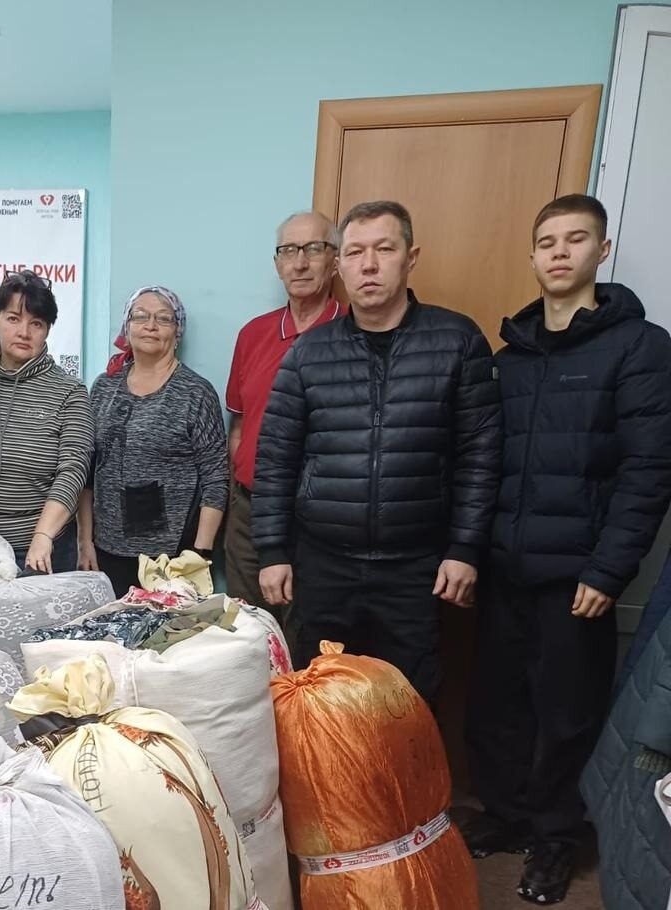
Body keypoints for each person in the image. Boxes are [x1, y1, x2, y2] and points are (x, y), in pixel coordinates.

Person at [463, 194, 671, 905]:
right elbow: (483, 463)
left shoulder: (639, 348)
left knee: (566, 713)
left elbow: (649, 471)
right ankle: (505, 813)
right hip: (503, 566)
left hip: (579, 574)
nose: (559, 252)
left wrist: (609, 569)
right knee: (496, 704)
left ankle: (555, 835)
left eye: (575, 239)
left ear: (601, 251)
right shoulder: (510, 358)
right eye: (547, 241)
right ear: (532, 255)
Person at [252, 200, 501, 704]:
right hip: (324, 564)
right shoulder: (309, 352)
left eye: (384, 250)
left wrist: (464, 549)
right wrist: (273, 551)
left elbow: (480, 455)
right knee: (324, 698)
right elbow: (277, 457)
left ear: (411, 258)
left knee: (408, 702)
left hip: (416, 567)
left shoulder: (457, 340)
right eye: (355, 252)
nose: (368, 265)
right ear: (340, 265)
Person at [225, 212, 346, 624]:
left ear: (335, 261)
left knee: (311, 636)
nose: (300, 263)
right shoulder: (253, 334)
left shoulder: (352, 333)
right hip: (250, 511)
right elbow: (239, 426)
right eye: (289, 251)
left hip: (320, 517)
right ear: (277, 264)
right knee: (248, 634)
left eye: (314, 249)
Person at [78, 286, 229, 597]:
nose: (150, 325)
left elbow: (216, 478)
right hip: (106, 551)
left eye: (163, 319)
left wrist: (200, 554)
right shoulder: (104, 387)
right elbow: (87, 471)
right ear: (127, 326)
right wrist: (84, 541)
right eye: (140, 317)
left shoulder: (195, 392)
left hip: (172, 558)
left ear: (177, 331)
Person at [0, 269, 94, 573]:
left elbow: (73, 470)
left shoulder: (70, 392)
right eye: (13, 319)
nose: (24, 332)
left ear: (48, 330)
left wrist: (43, 536)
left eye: (36, 323)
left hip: (38, 551)